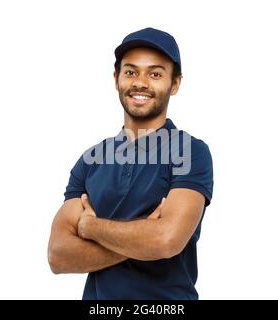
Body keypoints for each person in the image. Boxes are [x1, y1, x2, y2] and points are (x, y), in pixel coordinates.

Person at [48, 27, 214, 300]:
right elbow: (58, 255)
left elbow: (166, 240)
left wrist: (90, 228)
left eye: (156, 74)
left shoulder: (191, 153)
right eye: (131, 72)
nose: (141, 82)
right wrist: (142, 238)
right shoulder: (90, 160)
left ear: (175, 84)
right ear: (116, 79)